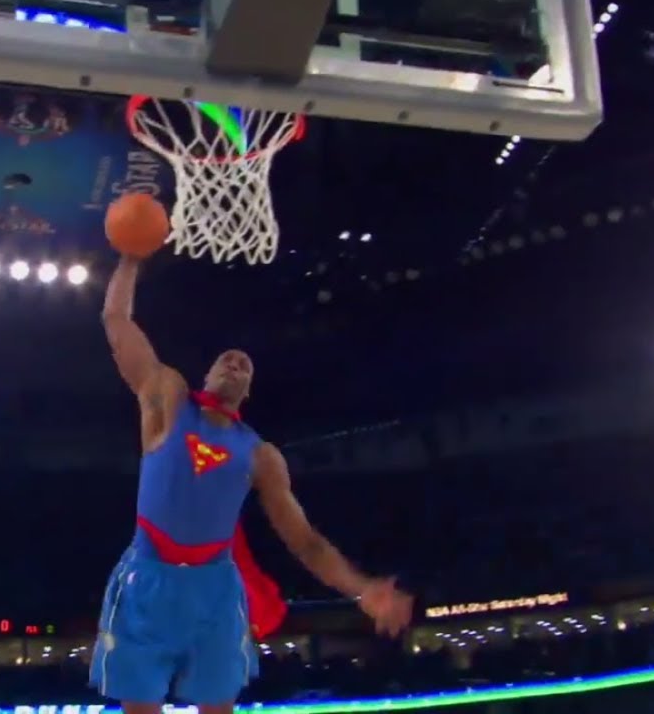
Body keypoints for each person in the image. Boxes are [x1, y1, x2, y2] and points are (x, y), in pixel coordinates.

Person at [90, 253, 414, 714]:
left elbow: (306, 542)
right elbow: (115, 319)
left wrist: (362, 589)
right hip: (148, 574)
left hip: (216, 588)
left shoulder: (260, 455)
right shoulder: (167, 399)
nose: (235, 363)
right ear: (207, 375)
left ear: (249, 392)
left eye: (244, 365)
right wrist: (129, 258)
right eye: (226, 359)